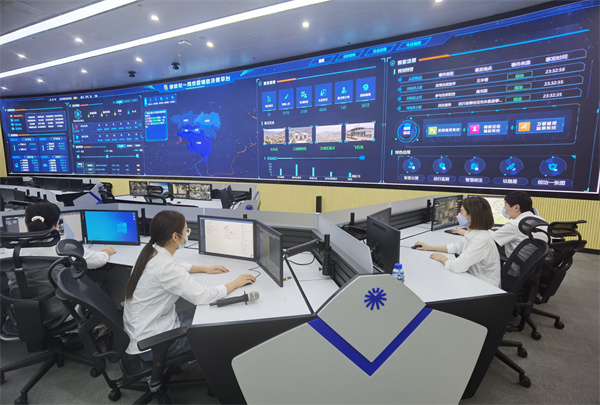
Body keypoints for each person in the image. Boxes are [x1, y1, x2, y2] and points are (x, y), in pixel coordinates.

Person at [123, 210, 255, 361]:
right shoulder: (165, 266)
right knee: (219, 330)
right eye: (186, 231)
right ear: (175, 237)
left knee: (211, 314)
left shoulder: (149, 252)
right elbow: (203, 296)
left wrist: (204, 268)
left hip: (146, 331)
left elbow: (177, 267)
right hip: (154, 345)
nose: (187, 235)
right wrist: (235, 284)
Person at [7, 201, 116, 326]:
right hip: (61, 313)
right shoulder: (63, 247)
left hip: (20, 314)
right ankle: (104, 326)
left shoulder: (9, 250)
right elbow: (98, 262)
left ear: (26, 223)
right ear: (57, 224)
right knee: (99, 283)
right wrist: (106, 252)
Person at [413, 196, 501, 288]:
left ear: (471, 217)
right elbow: (457, 248)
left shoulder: (480, 239)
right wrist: (429, 248)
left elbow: (458, 267)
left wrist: (443, 259)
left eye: (461, 212)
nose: (458, 215)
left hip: (485, 286)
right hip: (474, 278)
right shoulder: (473, 232)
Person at [492, 191, 547, 257]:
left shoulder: (514, 225)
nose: (504, 208)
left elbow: (490, 240)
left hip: (518, 263)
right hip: (538, 262)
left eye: (506, 205)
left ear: (516, 207)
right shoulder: (541, 220)